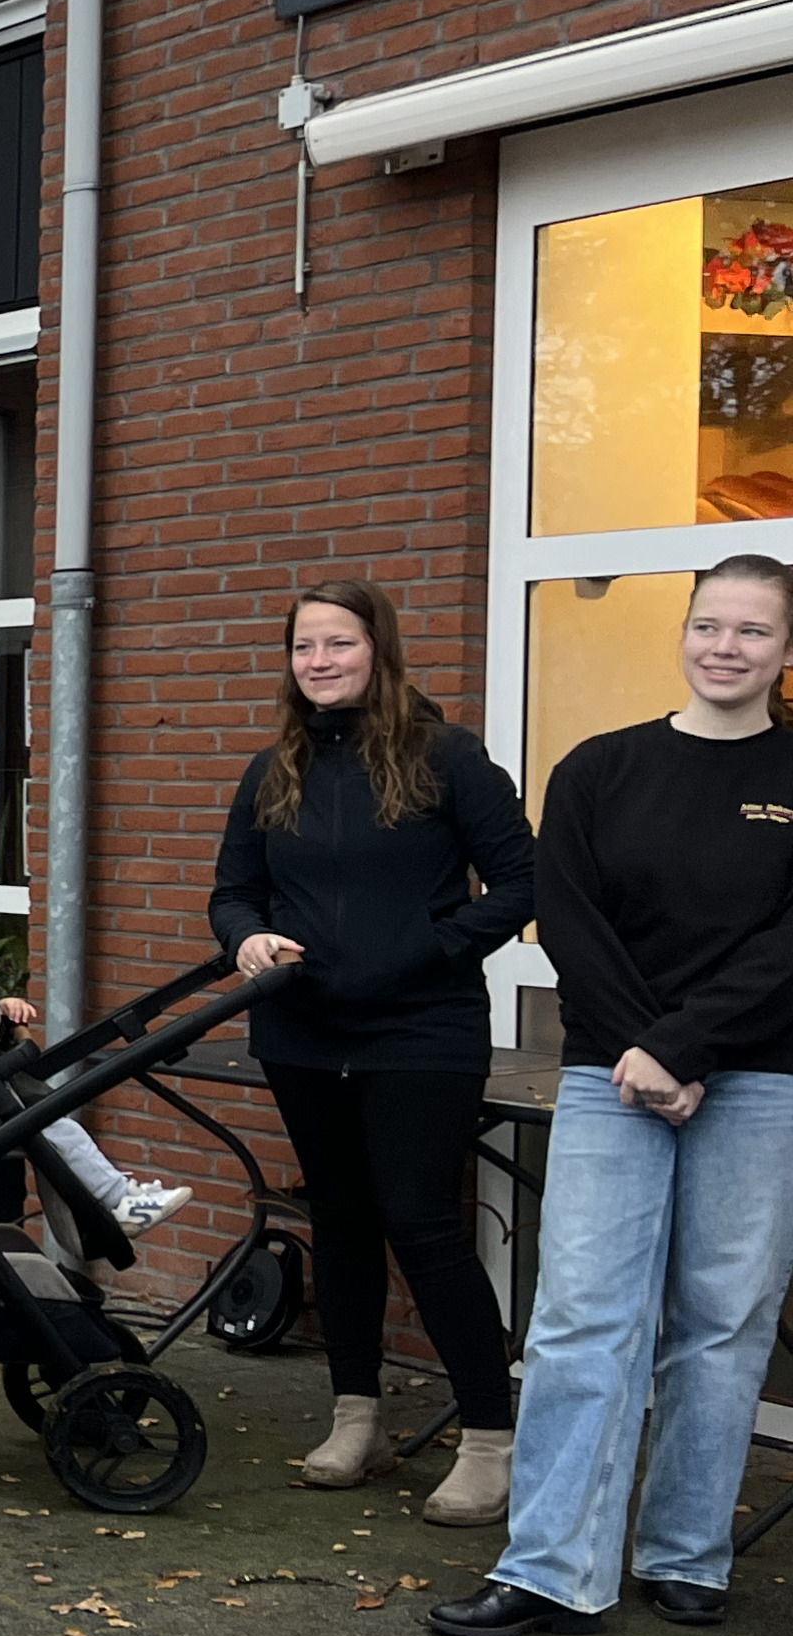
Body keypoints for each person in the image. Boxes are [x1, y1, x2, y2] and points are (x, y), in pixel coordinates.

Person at [434, 554, 793, 1636]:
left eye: (753, 631)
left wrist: (684, 1045)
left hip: (760, 1078)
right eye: (710, 624)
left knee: (724, 1323)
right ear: (683, 631)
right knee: (583, 1318)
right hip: (610, 1076)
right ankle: (551, 1567)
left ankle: (686, 1552)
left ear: (785, 651)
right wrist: (645, 1051)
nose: (725, 647)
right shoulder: (600, 768)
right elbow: (568, 920)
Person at [208, 582, 537, 1522]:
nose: (319, 662)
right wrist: (248, 941)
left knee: (422, 1223)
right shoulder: (274, 768)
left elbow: (520, 880)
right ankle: (356, 1416)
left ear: (378, 650)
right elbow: (233, 890)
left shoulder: (448, 757)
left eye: (338, 644)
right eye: (305, 646)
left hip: (421, 1031)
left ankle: (488, 1439)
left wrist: (429, 950)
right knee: (342, 1221)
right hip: (303, 1030)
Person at [0, 917, 188, 1232]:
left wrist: (3, 1010)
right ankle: (121, 1201)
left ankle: (121, 1195)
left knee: (63, 1133)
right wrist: (1, 1019)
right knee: (64, 1132)